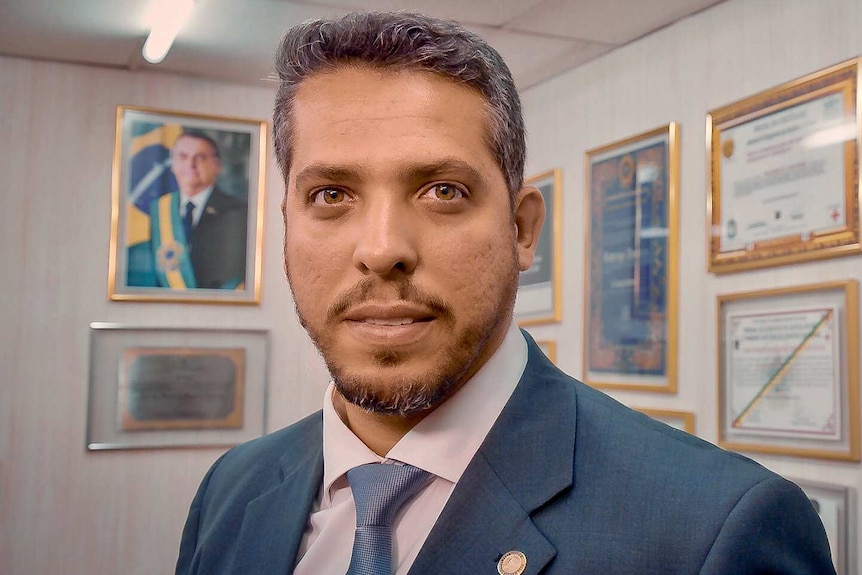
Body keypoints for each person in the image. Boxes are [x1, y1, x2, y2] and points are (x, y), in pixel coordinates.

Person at [175, 11, 835, 575]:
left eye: (443, 190)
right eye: (331, 194)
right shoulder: (232, 490)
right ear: (287, 227)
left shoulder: (713, 531)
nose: (381, 248)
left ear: (522, 229)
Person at [128, 131, 247, 290]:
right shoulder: (160, 209)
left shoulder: (238, 210)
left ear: (217, 166)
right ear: (173, 164)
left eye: (200, 157)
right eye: (183, 157)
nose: (191, 164)